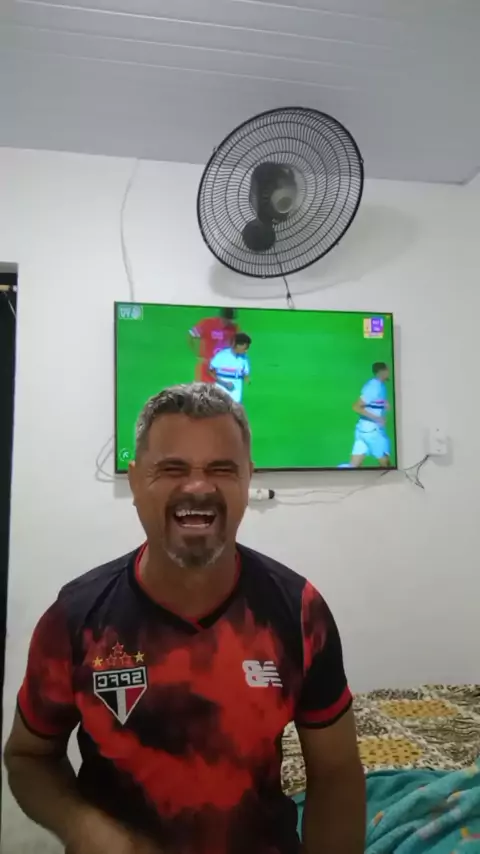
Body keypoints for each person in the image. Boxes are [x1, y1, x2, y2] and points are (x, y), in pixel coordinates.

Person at [5, 383, 365, 854]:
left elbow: (335, 771)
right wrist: (81, 825)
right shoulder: (76, 618)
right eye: (172, 469)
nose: (198, 487)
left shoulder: (299, 611)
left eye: (222, 468)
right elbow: (28, 756)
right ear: (136, 481)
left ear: (247, 479)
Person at [349, 362, 391, 468]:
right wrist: (377, 418)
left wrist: (384, 403)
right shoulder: (374, 386)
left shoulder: (379, 385)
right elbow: (356, 406)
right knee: (386, 465)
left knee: (354, 466)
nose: (389, 373)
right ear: (382, 372)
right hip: (372, 432)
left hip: (363, 430)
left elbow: (373, 402)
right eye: (387, 370)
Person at [188, 307, 238, 383]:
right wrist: (198, 355)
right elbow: (191, 335)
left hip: (222, 369)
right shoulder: (207, 323)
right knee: (203, 389)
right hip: (206, 368)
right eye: (227, 319)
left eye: (231, 319)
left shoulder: (233, 328)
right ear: (222, 317)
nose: (230, 322)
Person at [209, 333, 251, 404]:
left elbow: (245, 373)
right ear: (238, 345)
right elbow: (211, 371)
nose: (246, 351)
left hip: (236, 389)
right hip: (221, 388)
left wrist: (246, 378)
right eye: (245, 348)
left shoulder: (244, 358)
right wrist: (223, 383)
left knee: (234, 408)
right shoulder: (221, 355)